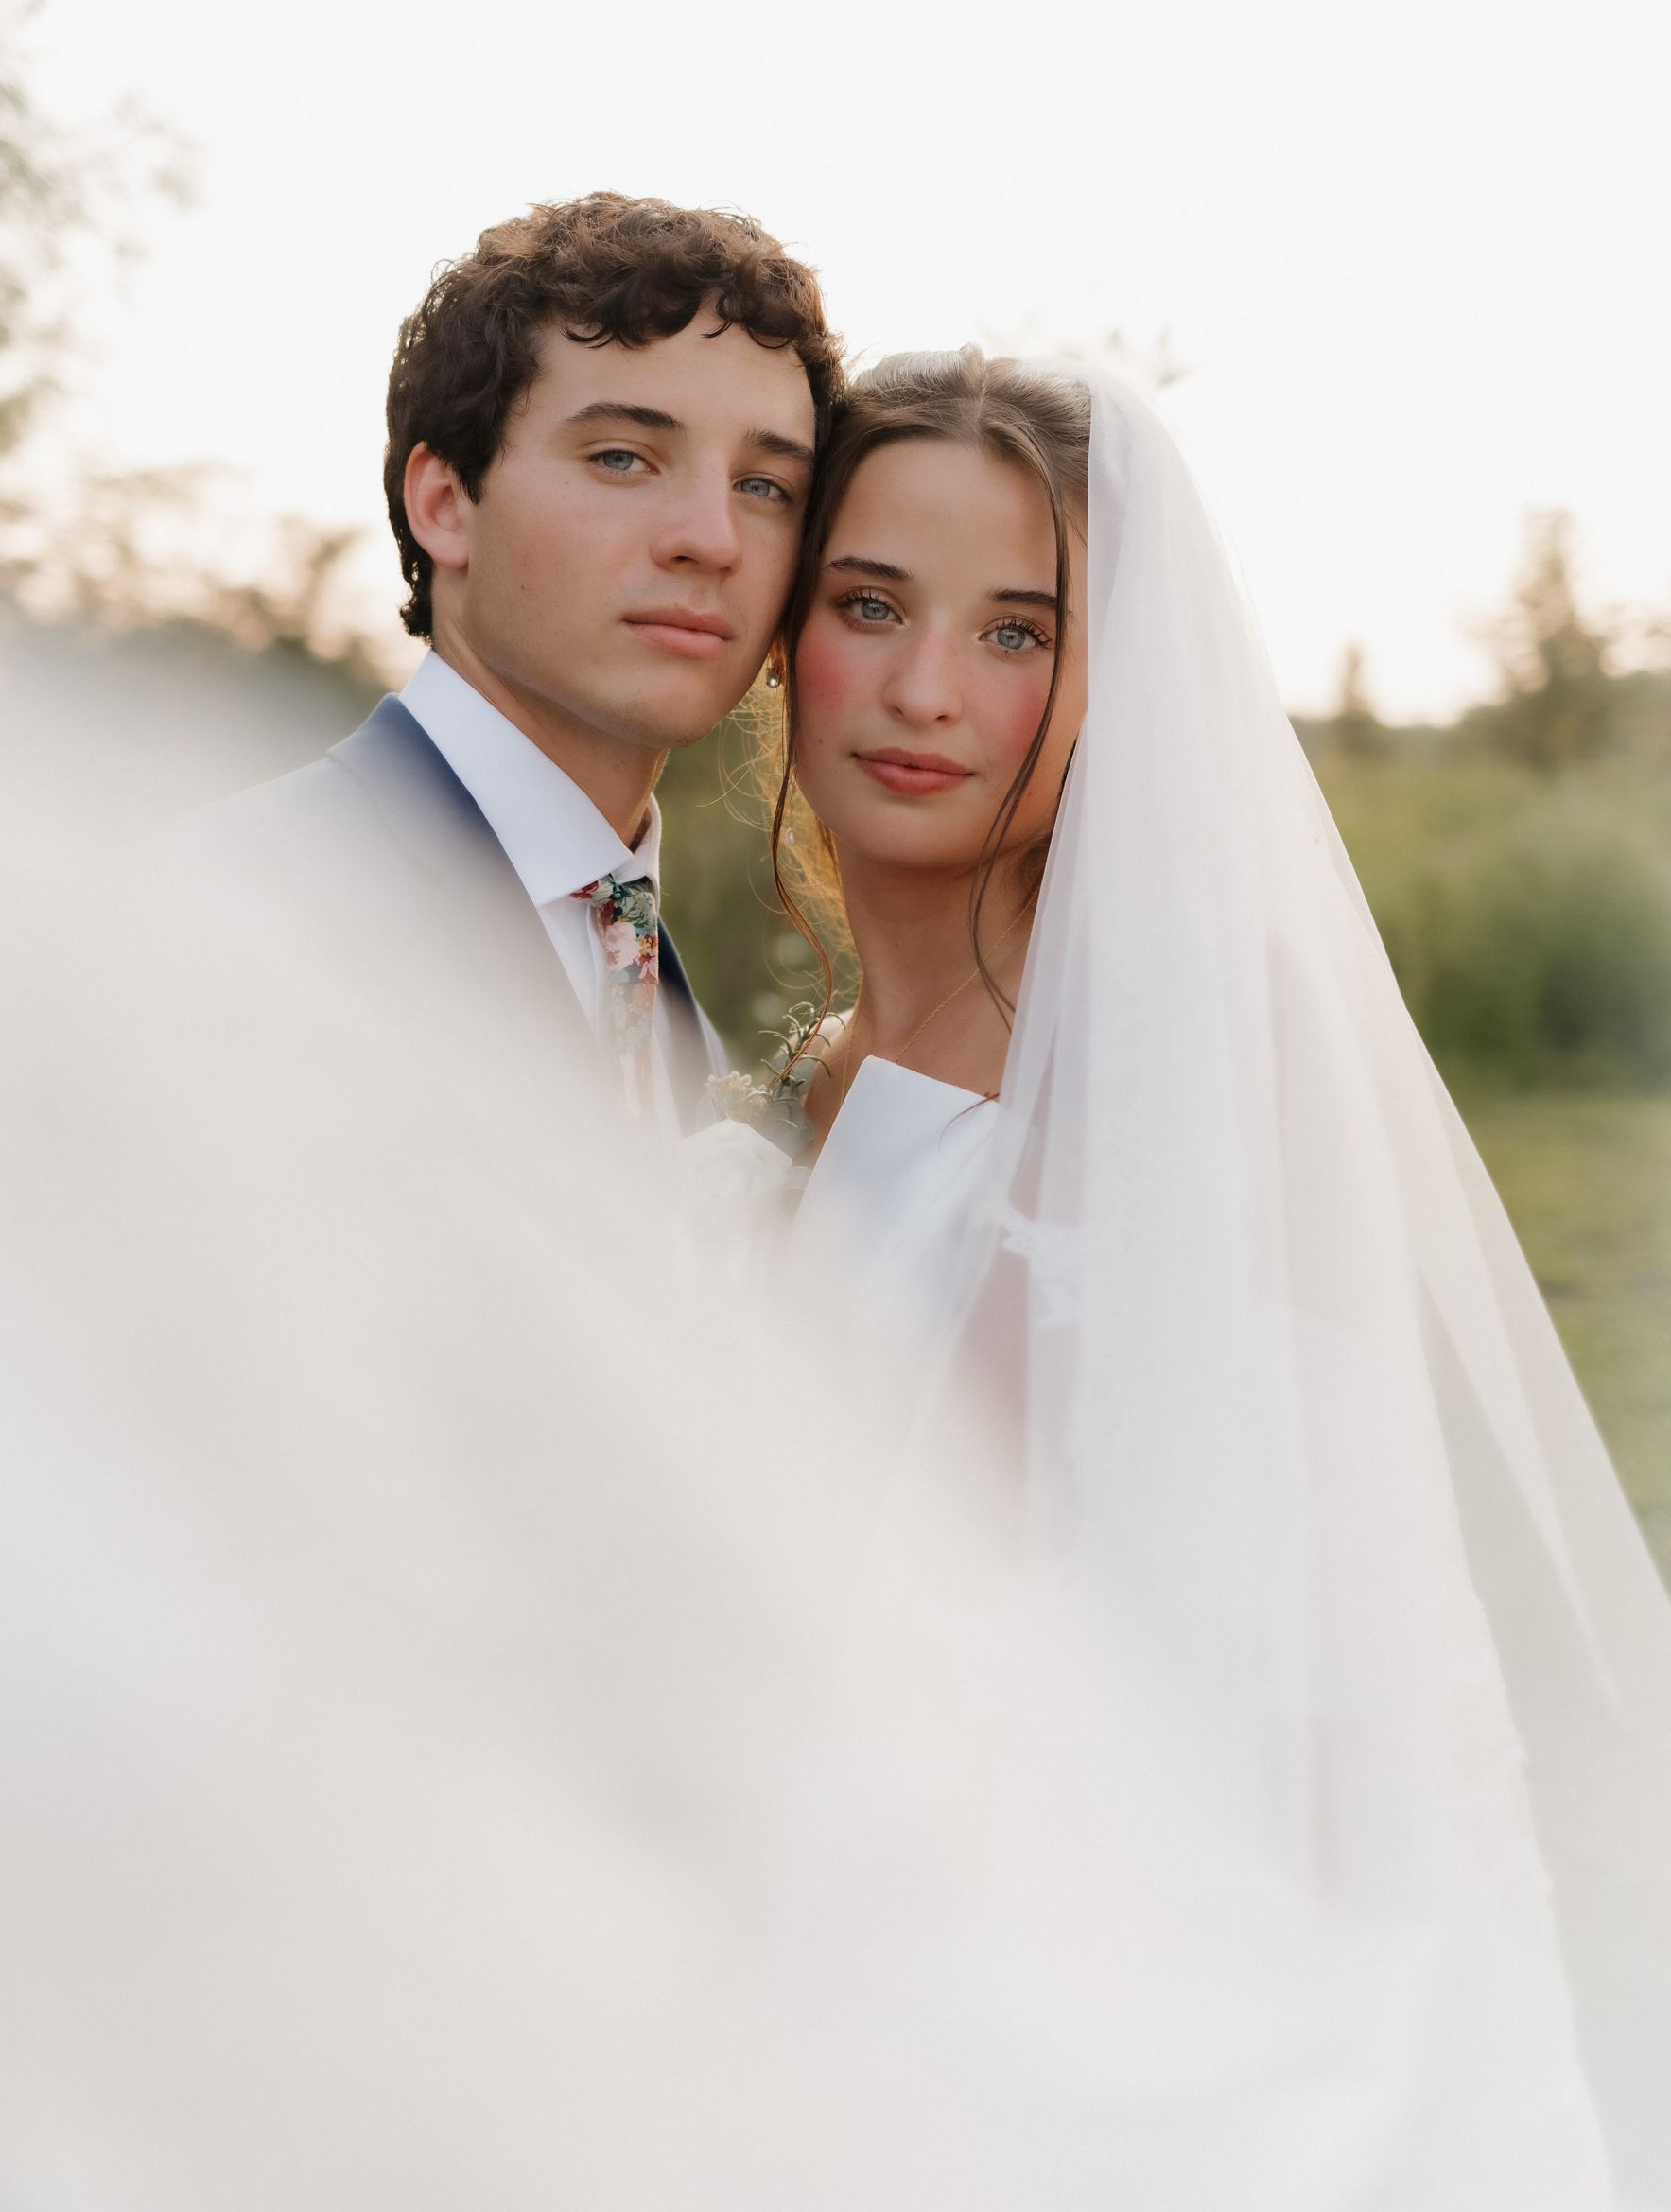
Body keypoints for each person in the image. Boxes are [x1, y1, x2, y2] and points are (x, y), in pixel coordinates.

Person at [770, 345, 1671, 2206]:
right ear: (786, 632)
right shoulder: (815, 1078)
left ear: (1120, 689)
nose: (929, 688)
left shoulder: (1165, 1085)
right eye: (872, 604)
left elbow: (1281, 1749)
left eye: (1021, 631)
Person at [175, 192, 843, 1129]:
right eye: (622, 458)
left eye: (766, 484)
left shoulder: (685, 1027)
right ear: (445, 501)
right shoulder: (227, 912)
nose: (712, 536)